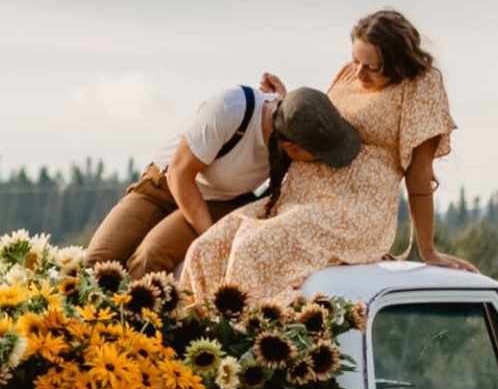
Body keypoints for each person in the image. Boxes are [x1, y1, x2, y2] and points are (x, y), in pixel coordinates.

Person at [181, 8, 464, 302]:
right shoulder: (347, 73)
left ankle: (246, 340)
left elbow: (419, 176)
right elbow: (318, 126)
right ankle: (197, 339)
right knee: (207, 248)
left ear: (397, 64)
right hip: (298, 199)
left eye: (372, 67)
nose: (359, 73)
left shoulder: (420, 86)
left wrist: (428, 250)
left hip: (354, 210)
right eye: (356, 60)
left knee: (253, 249)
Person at [86, 79, 362, 276]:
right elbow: (181, 174)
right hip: (165, 185)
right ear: (292, 147)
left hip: (220, 201)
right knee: (98, 261)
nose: (320, 162)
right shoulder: (230, 108)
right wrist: (209, 236)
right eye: (318, 155)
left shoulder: (292, 132)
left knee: (150, 258)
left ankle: (137, 347)